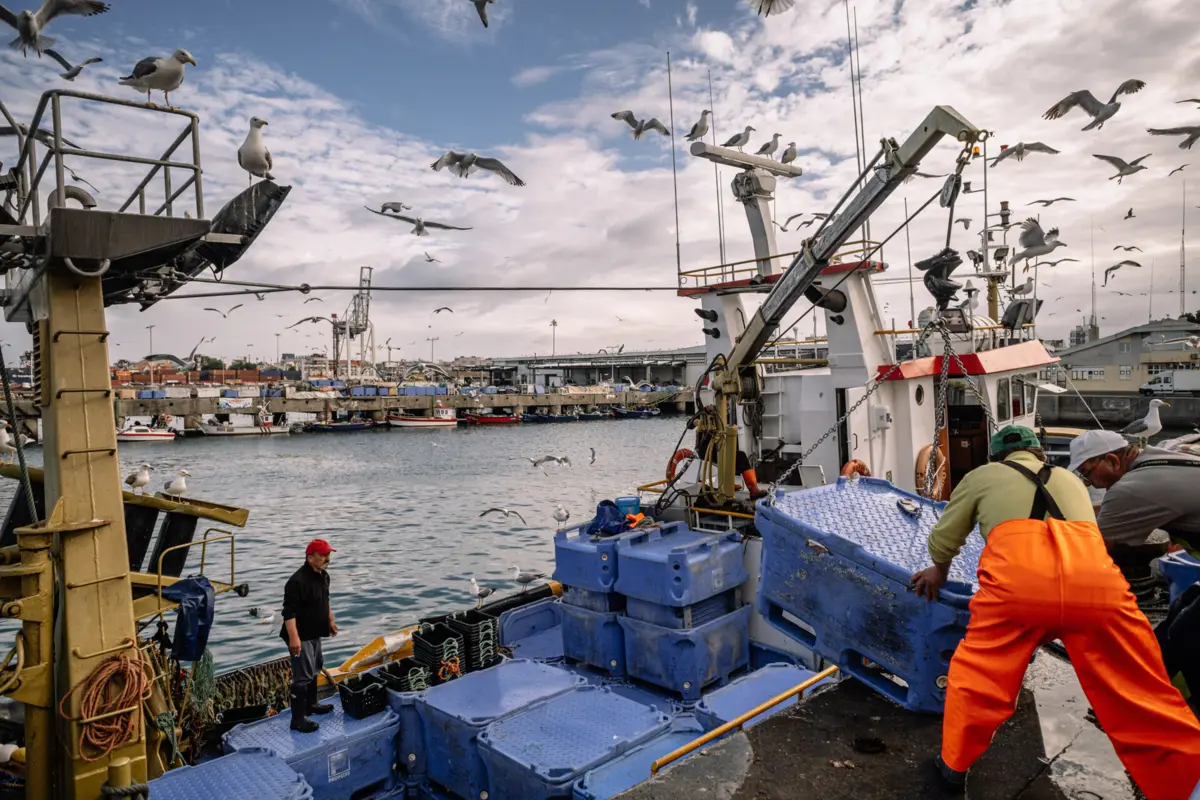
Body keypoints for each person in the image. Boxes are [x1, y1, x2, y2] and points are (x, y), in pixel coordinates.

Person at [910, 425, 1200, 798]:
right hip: (1097, 588)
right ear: (1040, 453)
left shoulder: (983, 475)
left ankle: (952, 769)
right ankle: (1189, 782)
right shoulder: (1071, 480)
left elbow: (944, 538)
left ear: (997, 457)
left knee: (979, 680)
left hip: (1018, 591)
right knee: (1139, 690)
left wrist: (939, 571)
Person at [1068, 429, 1200, 557]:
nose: (1089, 483)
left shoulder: (1128, 489)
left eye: (1087, 473)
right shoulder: (1159, 457)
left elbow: (1096, 546)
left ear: (1113, 460)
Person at [280, 538, 339, 733]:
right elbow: (288, 613)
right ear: (310, 557)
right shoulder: (297, 581)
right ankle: (297, 720)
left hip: (316, 631)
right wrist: (294, 638)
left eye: (328, 554)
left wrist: (330, 621)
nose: (327, 558)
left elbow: (325, 600)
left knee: (315, 667)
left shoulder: (323, 575)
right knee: (302, 676)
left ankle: (311, 704)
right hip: (301, 634)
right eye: (323, 555)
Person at [692, 428, 766, 499]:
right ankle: (751, 490)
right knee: (739, 456)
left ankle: (733, 486)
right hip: (707, 450)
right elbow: (689, 425)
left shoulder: (721, 416)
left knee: (739, 455)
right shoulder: (703, 415)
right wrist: (696, 421)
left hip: (719, 446)